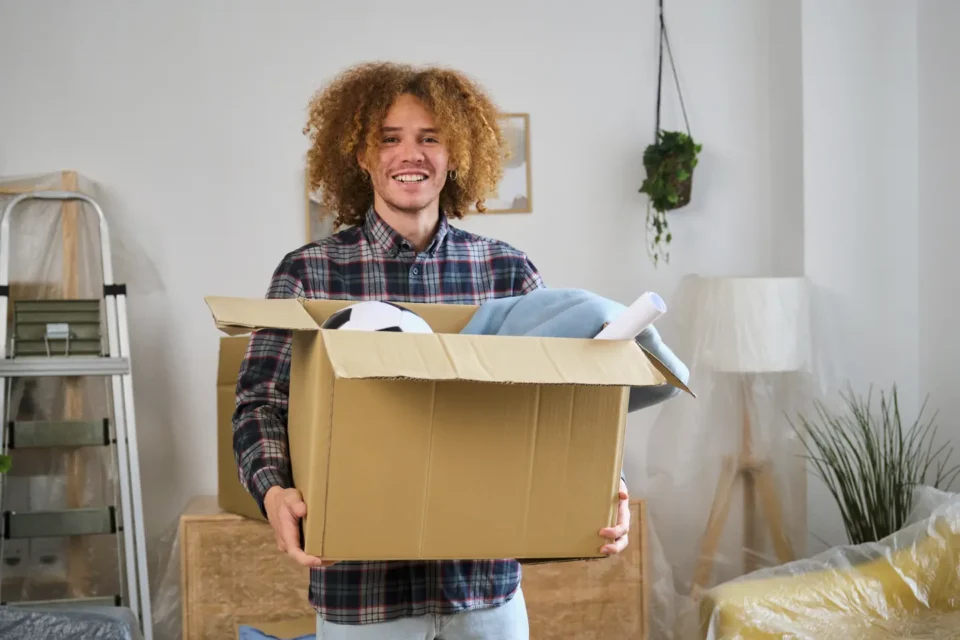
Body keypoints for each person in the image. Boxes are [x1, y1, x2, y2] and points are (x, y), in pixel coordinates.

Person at [233, 61, 631, 640]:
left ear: (457, 155)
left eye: (429, 138)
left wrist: (603, 486)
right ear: (362, 156)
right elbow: (260, 403)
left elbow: (561, 402)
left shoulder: (507, 271)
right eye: (389, 139)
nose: (409, 154)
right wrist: (272, 490)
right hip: (361, 598)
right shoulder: (308, 273)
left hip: (485, 597)